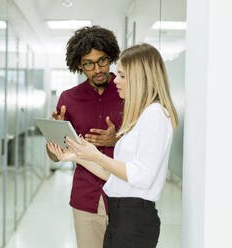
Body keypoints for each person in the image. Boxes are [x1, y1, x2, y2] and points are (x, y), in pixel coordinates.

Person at [48, 43, 178, 248]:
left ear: (141, 78)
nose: (115, 80)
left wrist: (98, 155)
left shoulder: (155, 114)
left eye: (122, 76)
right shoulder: (143, 116)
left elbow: (141, 176)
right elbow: (115, 176)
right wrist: (75, 156)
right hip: (120, 214)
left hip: (133, 219)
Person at [46, 26, 123, 248]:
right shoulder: (68, 99)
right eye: (88, 63)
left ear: (111, 57)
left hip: (125, 195)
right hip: (86, 197)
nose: (97, 69)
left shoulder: (128, 91)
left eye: (103, 61)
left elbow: (143, 143)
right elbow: (55, 156)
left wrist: (115, 140)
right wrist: (55, 137)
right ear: (79, 64)